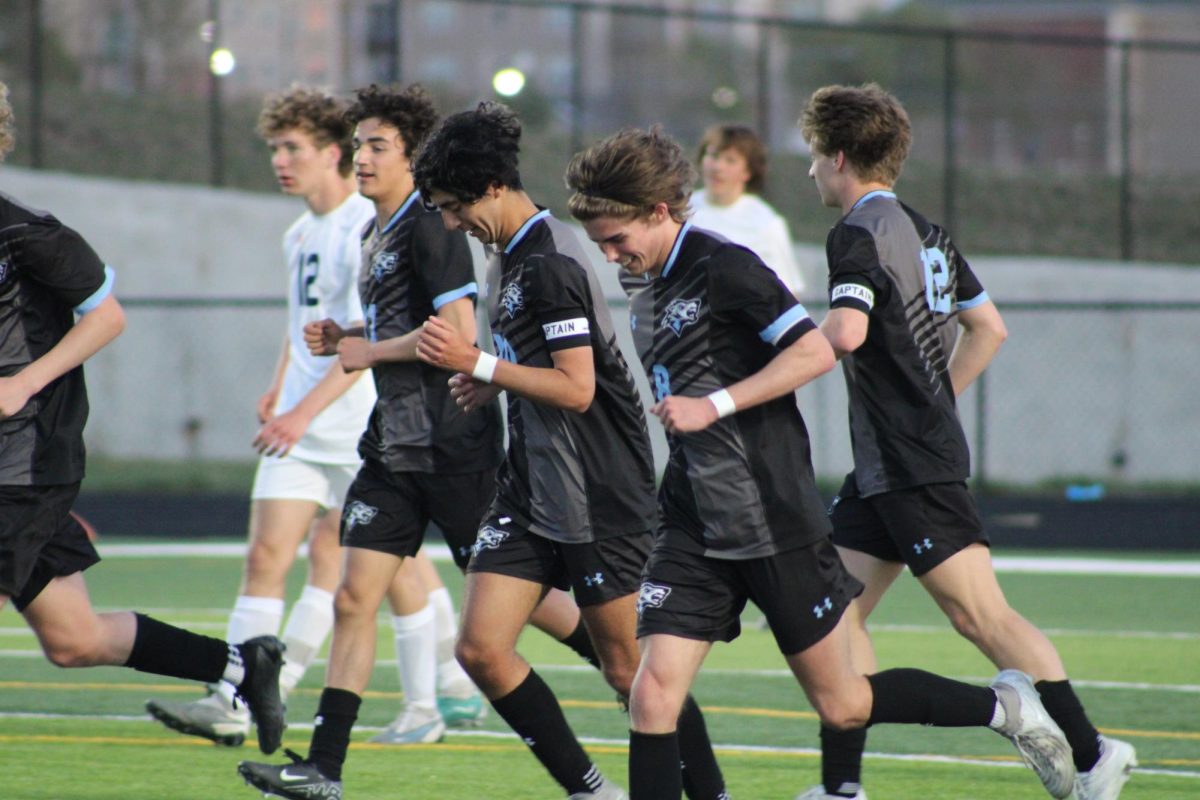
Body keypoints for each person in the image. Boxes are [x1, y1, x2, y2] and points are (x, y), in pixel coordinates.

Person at [563, 125, 1076, 800]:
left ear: (659, 212)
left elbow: (812, 351)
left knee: (843, 704)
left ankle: (1002, 707)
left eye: (617, 239)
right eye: (600, 243)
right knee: (652, 696)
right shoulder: (649, 284)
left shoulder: (728, 267)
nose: (609, 256)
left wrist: (713, 406)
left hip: (774, 518)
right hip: (691, 521)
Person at [235, 85, 591, 799]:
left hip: (453, 450)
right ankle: (324, 769)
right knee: (350, 597)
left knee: (538, 608)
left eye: (376, 146)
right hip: (393, 452)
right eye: (359, 144)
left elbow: (457, 335)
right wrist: (352, 336)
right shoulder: (376, 233)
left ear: (412, 159)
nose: (361, 158)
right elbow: (411, 324)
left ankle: (627, 661)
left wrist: (369, 353)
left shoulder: (431, 227)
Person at [796, 83, 1135, 800]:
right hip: (887, 465)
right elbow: (990, 328)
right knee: (829, 618)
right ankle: (842, 788)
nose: (810, 173)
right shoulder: (926, 231)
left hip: (910, 463)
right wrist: (936, 402)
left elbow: (846, 333)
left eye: (814, 158)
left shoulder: (855, 234)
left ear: (842, 157)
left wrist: (760, 370)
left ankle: (1094, 751)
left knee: (979, 615)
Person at [410, 102, 727, 800]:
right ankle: (591, 790)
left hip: (596, 493)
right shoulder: (509, 251)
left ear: (491, 187)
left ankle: (709, 793)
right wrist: (489, 375)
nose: (449, 221)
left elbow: (579, 387)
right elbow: (541, 362)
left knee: (631, 672)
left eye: (453, 206)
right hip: (531, 488)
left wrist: (482, 365)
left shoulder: (548, 259)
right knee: (481, 651)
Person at [0, 79, 285, 757]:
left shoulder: (26, 231)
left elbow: (108, 316)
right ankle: (241, 666)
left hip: (23, 461)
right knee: (74, 641)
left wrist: (25, 383)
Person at [690, 124, 805, 297]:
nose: (718, 167)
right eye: (713, 156)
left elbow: (788, 293)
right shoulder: (679, 212)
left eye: (730, 160)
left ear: (748, 171)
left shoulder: (767, 223)